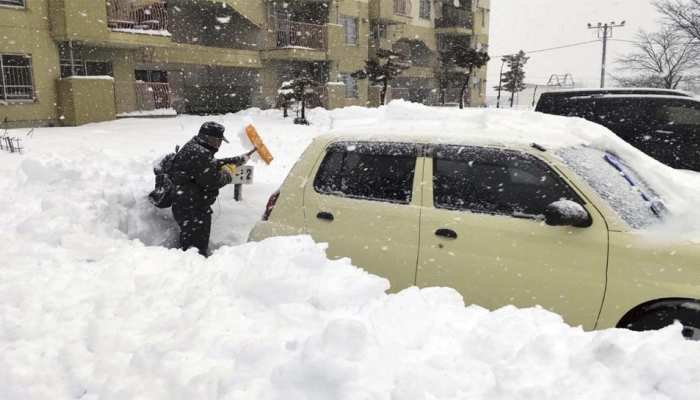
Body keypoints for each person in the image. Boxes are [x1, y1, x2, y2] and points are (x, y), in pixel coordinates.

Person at [170, 121, 255, 256]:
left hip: (187, 205)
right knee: (195, 251)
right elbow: (213, 181)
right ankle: (195, 271)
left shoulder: (196, 148)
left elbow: (213, 164)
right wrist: (228, 173)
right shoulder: (200, 153)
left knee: (191, 246)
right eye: (219, 141)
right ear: (210, 139)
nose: (220, 144)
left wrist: (239, 159)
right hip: (192, 210)